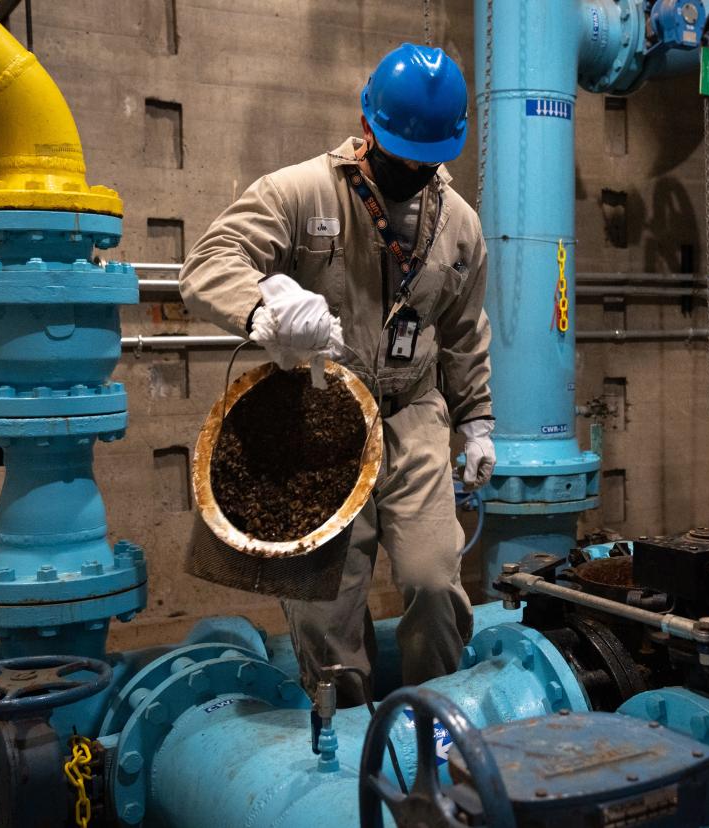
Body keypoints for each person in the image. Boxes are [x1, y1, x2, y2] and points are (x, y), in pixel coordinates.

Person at [179, 43, 495, 703]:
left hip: (413, 414)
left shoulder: (460, 226)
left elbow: (464, 331)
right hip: (319, 411)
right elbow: (209, 264)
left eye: (426, 157)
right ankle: (344, 735)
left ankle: (433, 726)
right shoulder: (299, 193)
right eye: (400, 151)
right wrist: (263, 304)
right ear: (366, 120)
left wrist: (479, 422)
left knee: (436, 581)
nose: (411, 167)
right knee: (327, 605)